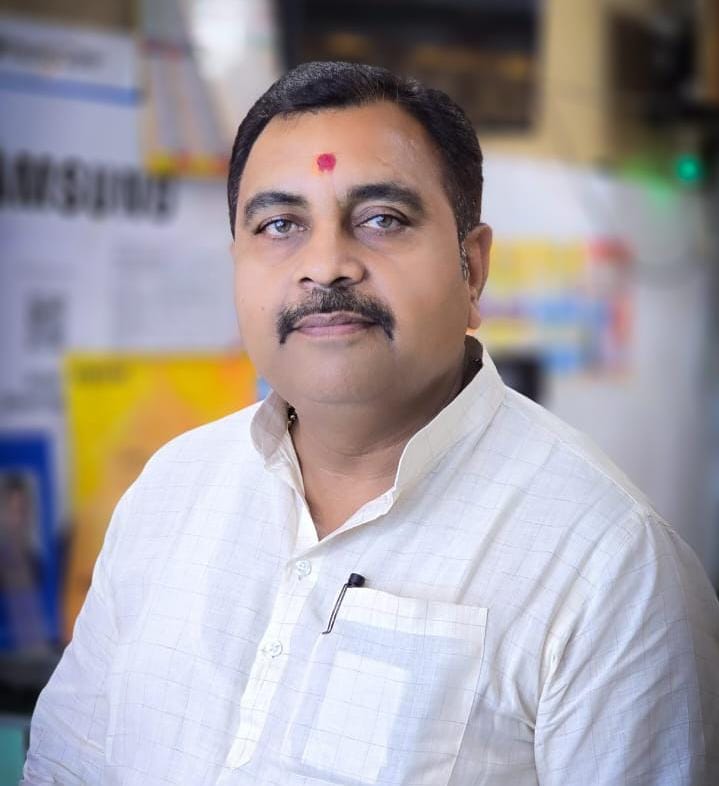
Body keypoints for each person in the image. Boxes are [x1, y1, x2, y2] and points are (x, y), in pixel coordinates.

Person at [23, 61, 719, 786]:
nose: (326, 265)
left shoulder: (611, 566)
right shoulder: (170, 489)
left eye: (382, 219)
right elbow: (66, 768)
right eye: (280, 225)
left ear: (472, 269)